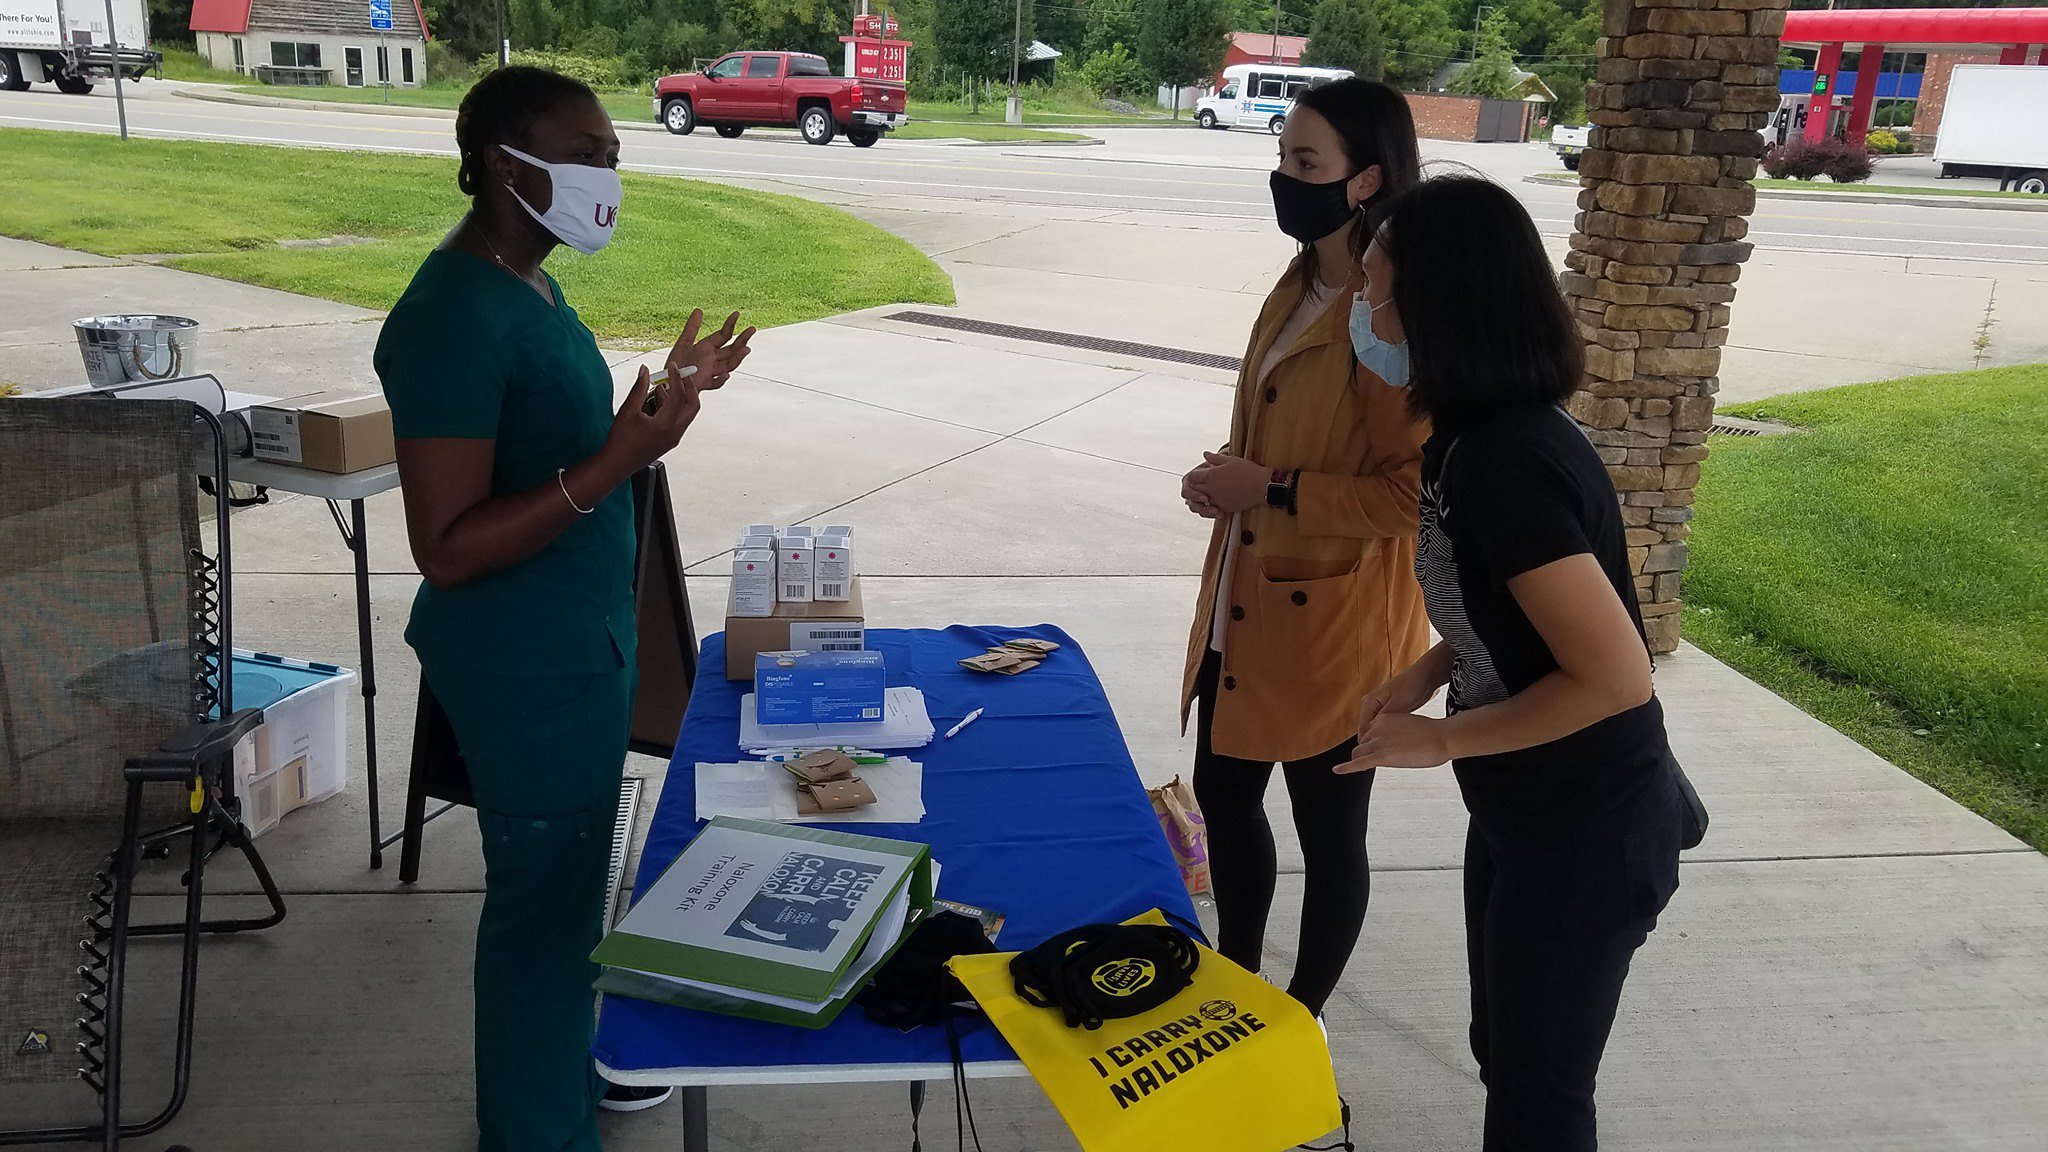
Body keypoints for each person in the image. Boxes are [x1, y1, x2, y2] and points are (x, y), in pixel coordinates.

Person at [372, 66, 753, 1152]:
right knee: (541, 916)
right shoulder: (450, 314)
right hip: (522, 664)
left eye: (613, 157)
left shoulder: (528, 280)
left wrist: (659, 403)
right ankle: (535, 1134)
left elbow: (554, 442)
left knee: (567, 903)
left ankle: (552, 1092)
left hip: (578, 642)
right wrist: (616, 462)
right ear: (504, 164)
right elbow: (445, 548)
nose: (607, 177)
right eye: (587, 155)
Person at [1339, 174, 1685, 1150]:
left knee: (1536, 1100)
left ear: (1436, 301)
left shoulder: (1505, 462)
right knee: (1506, 1053)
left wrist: (1440, 736)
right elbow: (1516, 606)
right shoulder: (1464, 438)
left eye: (1374, 288)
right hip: (1521, 810)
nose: (1363, 309)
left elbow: (1613, 675)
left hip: (1585, 825)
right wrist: (1422, 670)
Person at [1177, 78, 1429, 1019]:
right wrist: (1234, 473)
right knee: (1226, 801)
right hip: (1245, 600)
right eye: (1283, 156)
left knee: (1331, 830)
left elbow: (1412, 495)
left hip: (1335, 623)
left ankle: (1301, 1017)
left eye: (1305, 163)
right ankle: (1234, 991)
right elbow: (1288, 424)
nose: (1285, 177)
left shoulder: (1387, 314)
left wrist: (1273, 489)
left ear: (1366, 180)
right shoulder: (1301, 280)